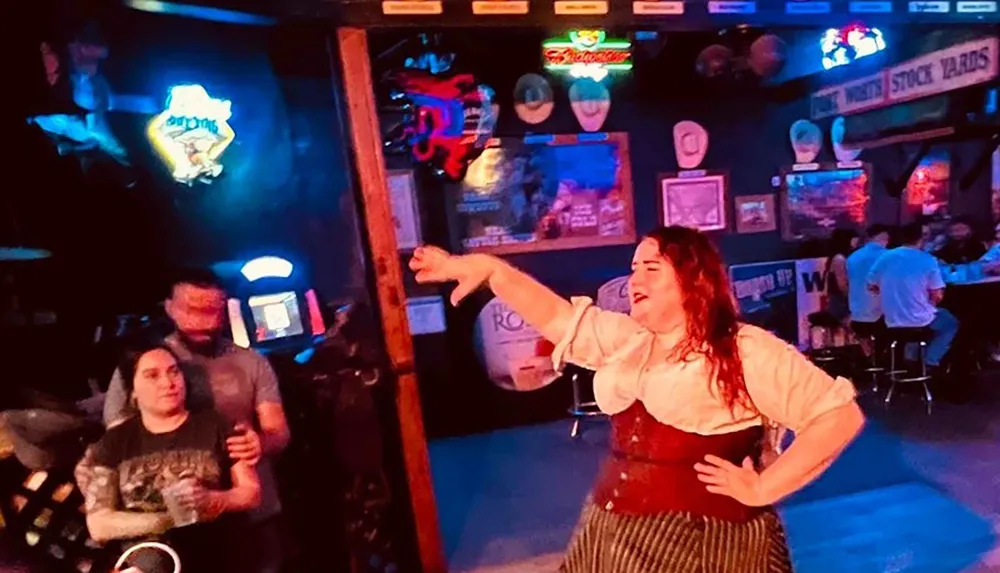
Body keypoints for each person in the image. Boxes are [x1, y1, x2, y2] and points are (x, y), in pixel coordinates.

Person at [409, 226, 865, 572]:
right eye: (633, 268)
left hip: (703, 545)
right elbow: (557, 317)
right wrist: (494, 271)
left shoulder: (744, 350)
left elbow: (838, 415)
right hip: (609, 532)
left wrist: (766, 486)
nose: (634, 279)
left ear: (692, 281)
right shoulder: (628, 339)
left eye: (652, 267)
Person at [103, 268, 290, 573]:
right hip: (179, 522)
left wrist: (259, 442)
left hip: (252, 513)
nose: (204, 321)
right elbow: (117, 435)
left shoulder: (251, 362)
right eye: (192, 310)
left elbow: (278, 432)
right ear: (169, 307)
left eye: (213, 311)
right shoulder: (147, 362)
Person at [75, 341, 261, 573]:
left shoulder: (216, 425)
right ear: (132, 391)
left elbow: (251, 492)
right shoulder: (115, 442)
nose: (168, 383)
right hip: (147, 560)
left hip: (216, 554)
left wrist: (213, 500)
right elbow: (100, 524)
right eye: (152, 376)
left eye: (174, 372)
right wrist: (169, 519)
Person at [867, 222, 957, 369]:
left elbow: (871, 285)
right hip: (919, 320)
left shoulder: (885, 257)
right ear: (921, 239)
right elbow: (937, 294)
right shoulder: (927, 259)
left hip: (892, 320)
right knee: (949, 323)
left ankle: (911, 359)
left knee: (914, 330)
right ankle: (929, 362)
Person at [846, 224, 891, 355]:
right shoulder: (889, 257)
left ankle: (870, 362)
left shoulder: (852, 258)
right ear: (883, 238)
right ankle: (887, 364)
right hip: (883, 317)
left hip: (858, 315)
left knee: (865, 337)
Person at [823, 228, 858, 326]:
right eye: (854, 239)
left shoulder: (844, 257)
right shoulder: (839, 259)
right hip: (840, 303)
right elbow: (842, 285)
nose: (856, 242)